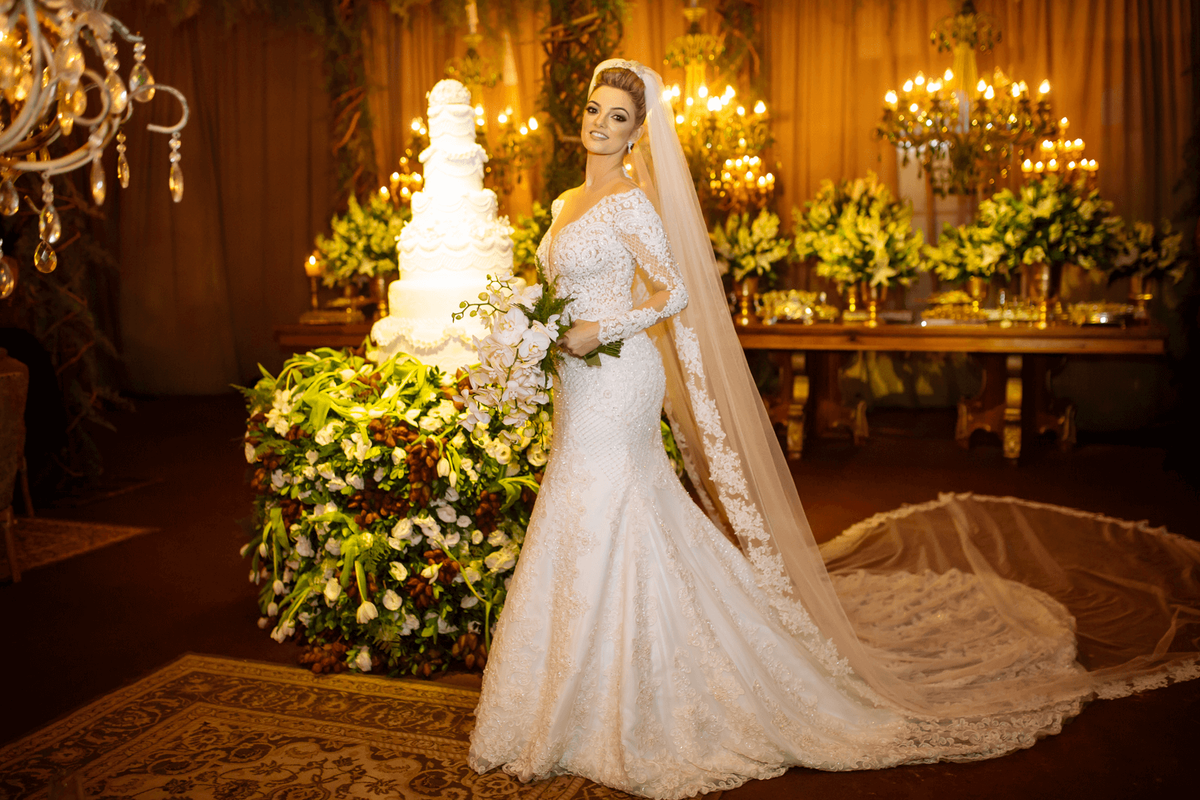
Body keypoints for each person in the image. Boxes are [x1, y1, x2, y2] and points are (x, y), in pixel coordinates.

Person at [467, 60, 1200, 799]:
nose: (599, 122)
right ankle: (565, 690)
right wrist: (538, 335)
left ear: (637, 134)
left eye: (617, 117)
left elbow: (675, 290)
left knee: (607, 502)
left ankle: (615, 693)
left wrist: (602, 327)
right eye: (594, 109)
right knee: (578, 503)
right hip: (574, 381)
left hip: (620, 378)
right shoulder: (564, 199)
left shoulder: (631, 201)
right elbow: (559, 294)